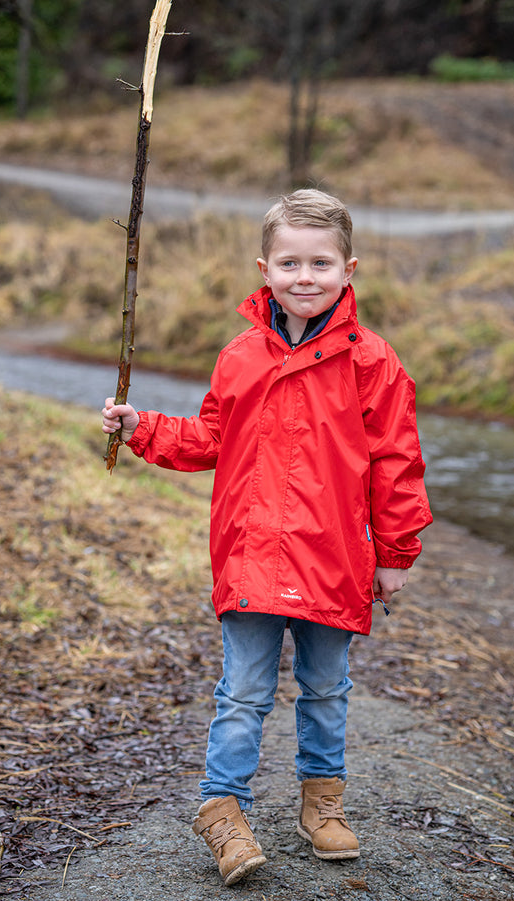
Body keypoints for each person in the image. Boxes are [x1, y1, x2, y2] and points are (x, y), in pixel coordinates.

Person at [102, 188, 432, 887]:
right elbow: (211, 438)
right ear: (264, 267)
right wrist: (144, 428)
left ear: (350, 270)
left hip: (334, 557)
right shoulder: (239, 356)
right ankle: (224, 811)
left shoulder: (374, 362)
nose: (304, 276)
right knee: (243, 690)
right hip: (251, 552)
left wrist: (396, 552)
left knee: (324, 687)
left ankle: (323, 804)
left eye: (320, 262)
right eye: (289, 262)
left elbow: (397, 463)